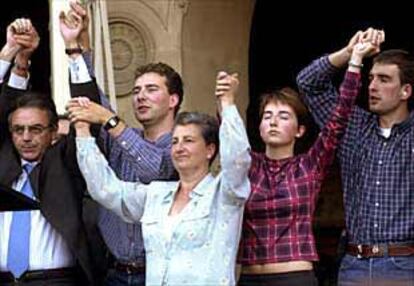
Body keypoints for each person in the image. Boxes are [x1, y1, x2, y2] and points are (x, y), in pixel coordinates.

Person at [72, 72, 251, 286]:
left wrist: (228, 103)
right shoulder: (158, 194)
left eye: (189, 140)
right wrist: (82, 132)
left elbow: (237, 159)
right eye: (175, 141)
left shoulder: (224, 194)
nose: (179, 147)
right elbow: (105, 189)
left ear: (210, 149)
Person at [234, 35, 380, 286]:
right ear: (258, 127)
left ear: (299, 130)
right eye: (267, 116)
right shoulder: (247, 164)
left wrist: (354, 62)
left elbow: (338, 121)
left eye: (283, 116)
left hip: (294, 276)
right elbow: (229, 141)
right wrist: (225, 103)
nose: (273, 121)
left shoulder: (309, 164)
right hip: (248, 276)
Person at [62, 2, 181, 285]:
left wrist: (109, 119)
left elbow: (155, 169)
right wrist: (77, 45)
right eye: (137, 90)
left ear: (173, 99)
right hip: (114, 273)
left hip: (162, 275)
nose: (140, 96)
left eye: (151, 90)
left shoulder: (184, 142)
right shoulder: (120, 138)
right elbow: (91, 99)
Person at [297, 28, 414, 285]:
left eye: (384, 79)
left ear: (406, 91)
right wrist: (350, 53)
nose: (372, 86)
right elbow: (309, 84)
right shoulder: (352, 126)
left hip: (405, 265)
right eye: (371, 78)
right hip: (354, 265)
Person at [0, 18, 101, 285]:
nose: (26, 138)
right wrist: (12, 56)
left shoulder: (65, 162)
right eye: (18, 130)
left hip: (57, 280)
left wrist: (72, 46)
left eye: (36, 129)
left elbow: (88, 112)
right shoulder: (5, 162)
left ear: (54, 132)